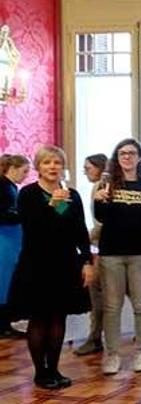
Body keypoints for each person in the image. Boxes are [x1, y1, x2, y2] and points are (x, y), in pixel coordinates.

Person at [8, 145, 94, 388]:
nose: (52, 167)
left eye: (57, 162)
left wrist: (86, 261)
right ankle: (41, 373)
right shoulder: (28, 194)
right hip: (36, 265)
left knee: (58, 317)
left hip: (65, 265)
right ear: (38, 167)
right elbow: (34, 228)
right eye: (47, 163)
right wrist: (52, 206)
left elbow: (79, 231)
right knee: (39, 319)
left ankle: (54, 369)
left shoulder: (72, 195)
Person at [93, 138, 141, 375]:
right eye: (122, 153)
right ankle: (112, 354)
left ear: (139, 158)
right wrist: (99, 201)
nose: (127, 157)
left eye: (132, 153)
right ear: (117, 158)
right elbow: (101, 218)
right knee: (112, 306)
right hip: (111, 253)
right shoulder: (106, 185)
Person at [74, 153, 109, 355]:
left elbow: (102, 222)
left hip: (105, 248)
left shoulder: (101, 186)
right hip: (106, 246)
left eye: (88, 168)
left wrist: (86, 237)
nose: (85, 172)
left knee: (97, 295)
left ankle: (95, 337)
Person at [0, 154, 31, 339]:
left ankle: (5, 324)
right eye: (24, 171)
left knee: (6, 281)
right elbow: (4, 215)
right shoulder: (3, 187)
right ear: (14, 168)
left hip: (10, 239)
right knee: (4, 282)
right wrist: (25, 214)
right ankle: (3, 325)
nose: (26, 175)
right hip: (5, 239)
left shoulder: (10, 187)